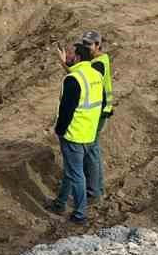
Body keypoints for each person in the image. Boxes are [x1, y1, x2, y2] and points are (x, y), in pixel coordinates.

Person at [46, 42, 103, 224]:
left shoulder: (73, 79)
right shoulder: (95, 75)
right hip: (90, 132)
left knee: (76, 174)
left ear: (78, 57)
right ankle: (60, 202)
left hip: (74, 134)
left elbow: (66, 110)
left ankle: (80, 214)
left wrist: (59, 130)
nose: (69, 56)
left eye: (71, 54)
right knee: (71, 170)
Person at [79, 30, 111, 207]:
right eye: (84, 44)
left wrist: (65, 65)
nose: (86, 47)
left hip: (98, 113)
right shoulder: (100, 60)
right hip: (100, 111)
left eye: (88, 44)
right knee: (94, 150)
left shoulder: (97, 64)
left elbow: (83, 80)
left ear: (98, 45)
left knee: (90, 152)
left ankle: (93, 193)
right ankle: (97, 189)